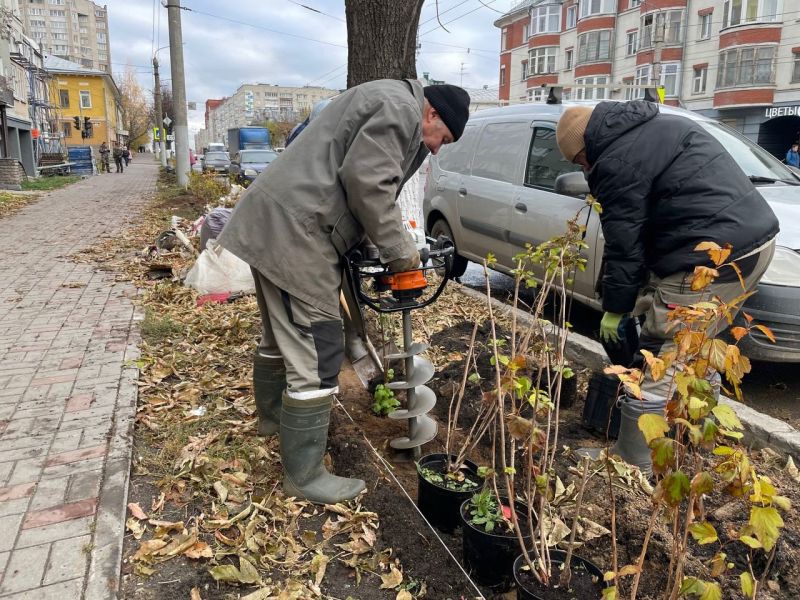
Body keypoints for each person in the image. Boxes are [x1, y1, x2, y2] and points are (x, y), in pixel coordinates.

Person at [219, 80, 470, 503]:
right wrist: (400, 254)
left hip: (279, 222)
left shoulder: (388, 99)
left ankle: (274, 419)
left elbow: (353, 184)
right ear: (432, 115)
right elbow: (368, 184)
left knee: (280, 334)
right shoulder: (400, 111)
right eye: (442, 138)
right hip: (296, 234)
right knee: (319, 346)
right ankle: (305, 476)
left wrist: (373, 244)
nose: (437, 149)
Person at [556, 101, 778, 474]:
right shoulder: (661, 127)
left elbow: (624, 243)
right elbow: (654, 222)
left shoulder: (615, 161)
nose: (582, 168)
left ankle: (632, 465)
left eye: (579, 161)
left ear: (587, 146)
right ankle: (695, 447)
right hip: (753, 243)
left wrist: (616, 307)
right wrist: (635, 294)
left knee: (660, 355)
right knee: (699, 350)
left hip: (710, 259)